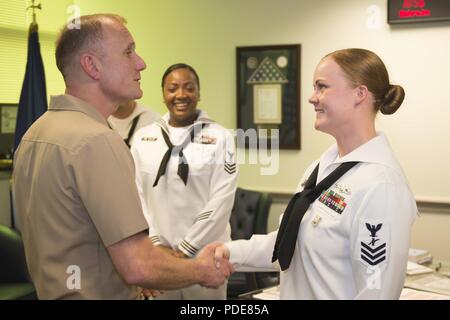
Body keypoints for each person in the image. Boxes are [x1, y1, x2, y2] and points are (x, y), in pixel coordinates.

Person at [12, 14, 232, 300]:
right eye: (128, 51)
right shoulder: (97, 140)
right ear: (92, 66)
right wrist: (201, 271)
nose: (141, 62)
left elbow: (74, 237)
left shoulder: (34, 134)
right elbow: (137, 265)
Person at [215, 48, 417, 299]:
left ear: (359, 94)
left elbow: (376, 291)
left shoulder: (380, 185)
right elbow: (292, 241)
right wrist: (229, 252)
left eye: (322, 87)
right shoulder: (323, 166)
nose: (312, 98)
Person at [131, 63, 238, 299]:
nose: (181, 95)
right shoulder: (143, 138)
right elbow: (137, 196)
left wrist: (185, 248)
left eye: (189, 88)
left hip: (206, 254)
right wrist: (157, 243)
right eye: (173, 88)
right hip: (158, 255)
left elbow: (221, 200)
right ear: (163, 94)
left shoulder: (221, 138)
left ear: (199, 93)